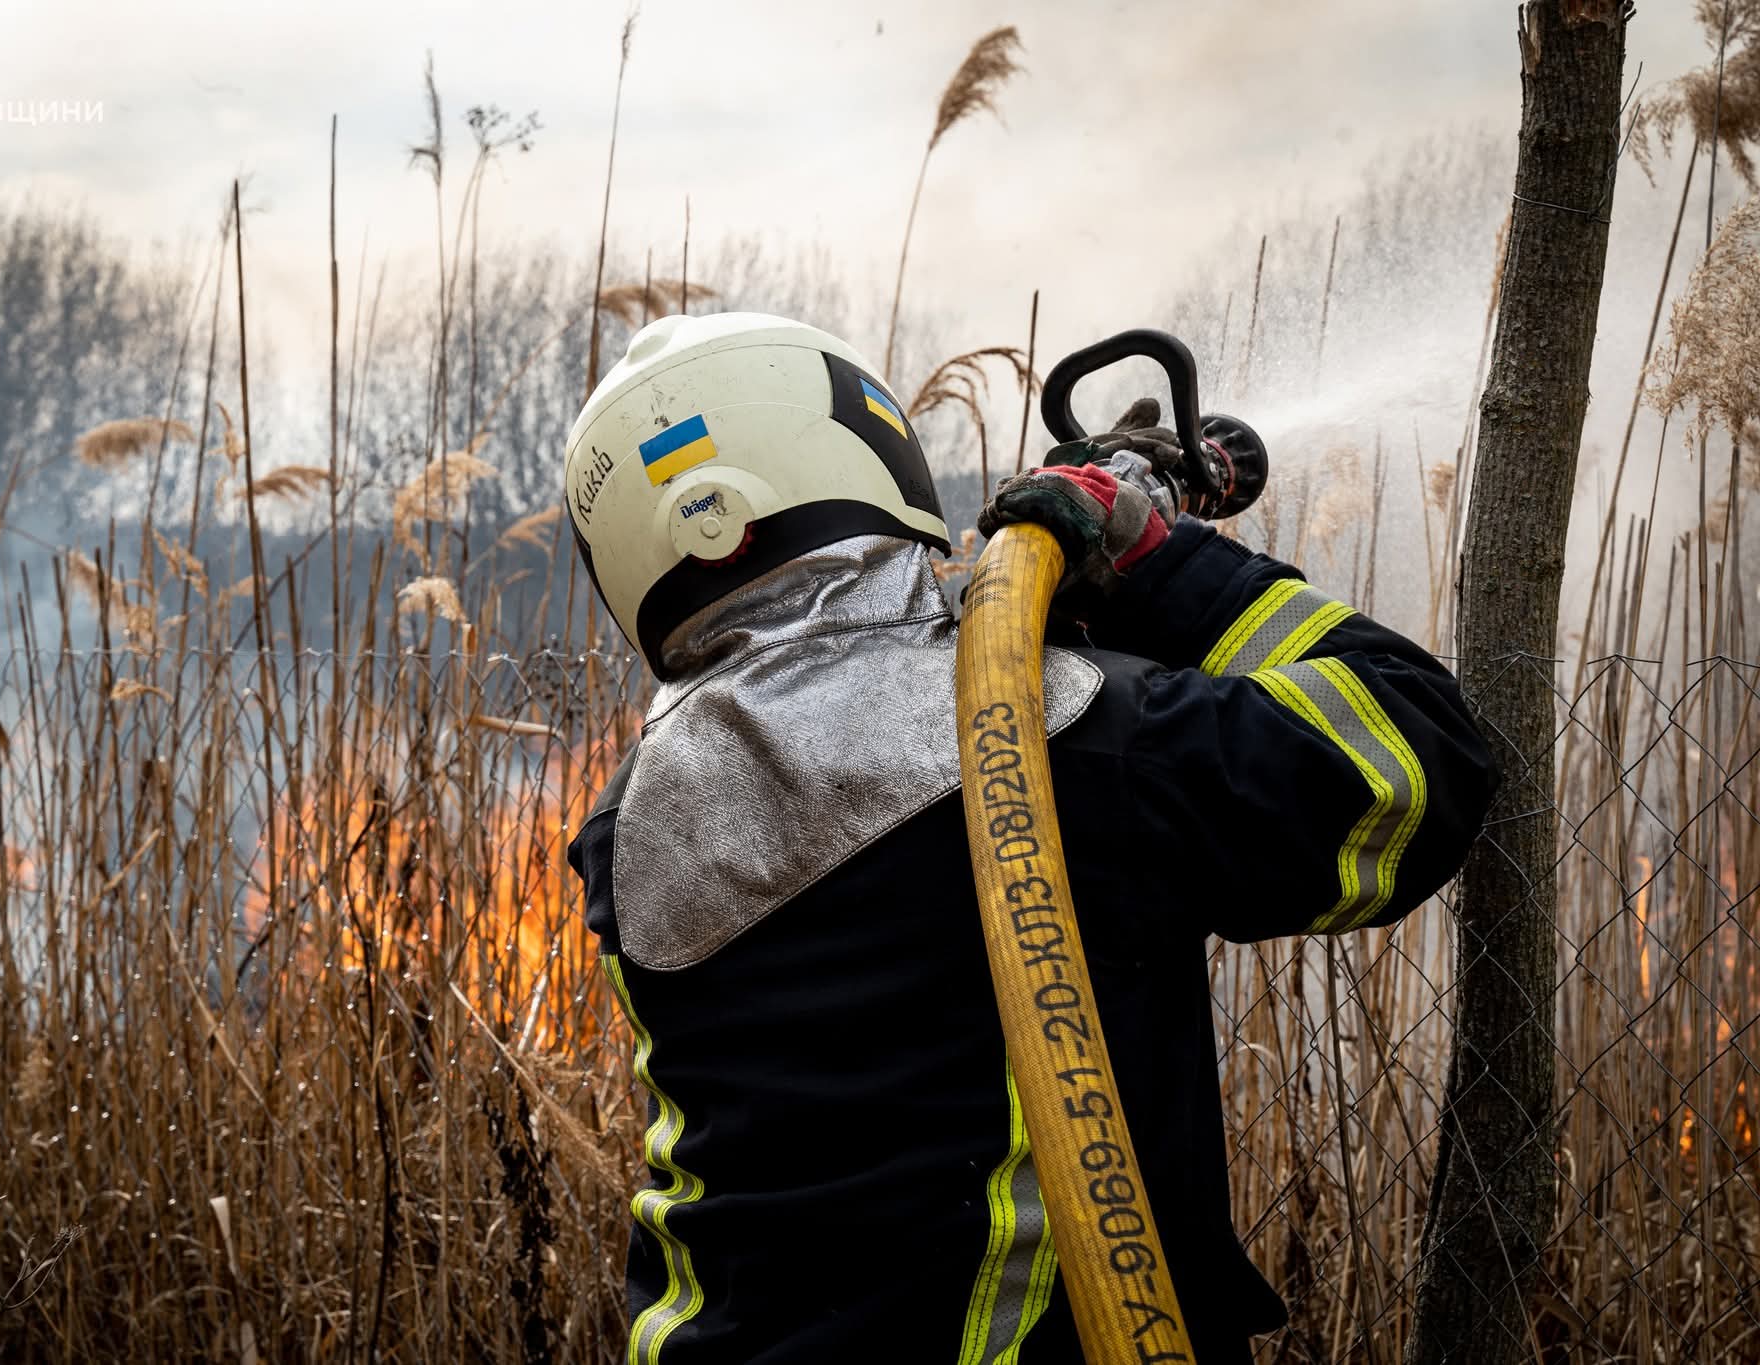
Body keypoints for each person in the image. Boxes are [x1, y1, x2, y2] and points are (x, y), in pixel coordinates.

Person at [564, 312, 1495, 1364]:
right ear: (863, 450)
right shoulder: (1062, 743)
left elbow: (872, 819)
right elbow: (1414, 761)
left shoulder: (628, 820)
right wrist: (1160, 562)